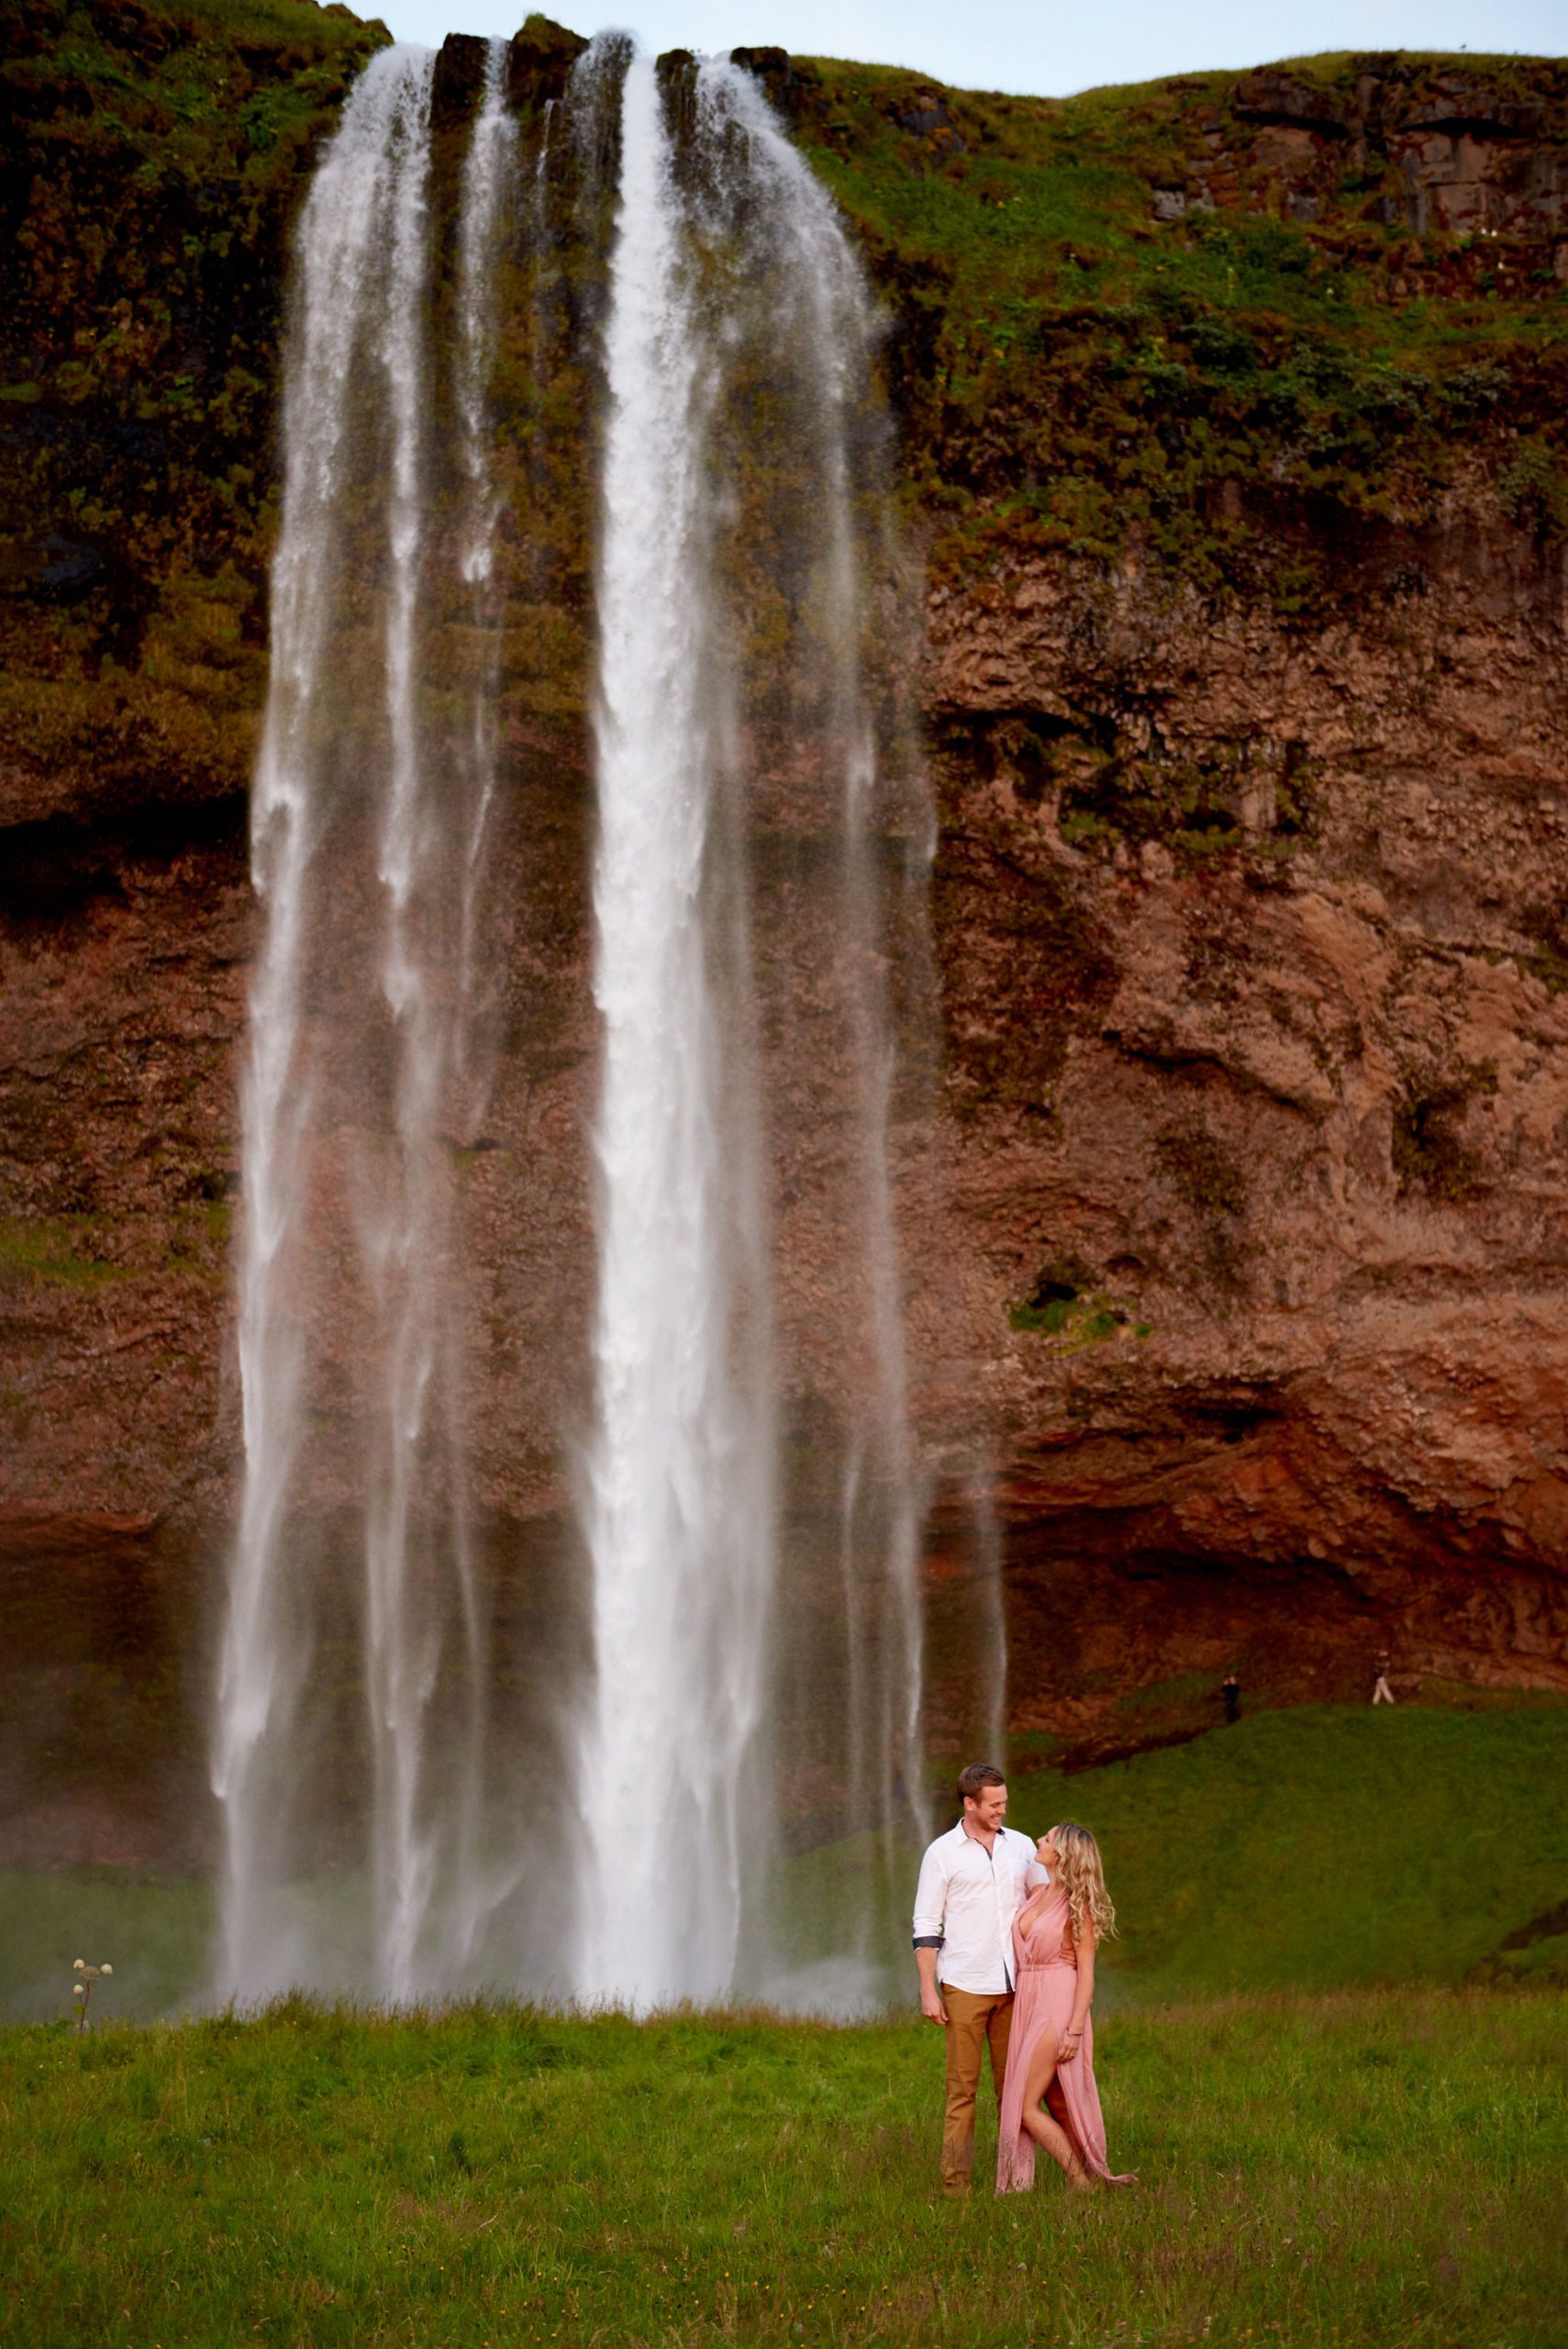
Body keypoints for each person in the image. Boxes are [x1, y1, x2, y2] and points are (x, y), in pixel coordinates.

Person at [912, 1762, 1043, 2197]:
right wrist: (928, 1989)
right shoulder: (941, 1853)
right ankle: (956, 2188)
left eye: (1005, 1802)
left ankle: (1016, 2181)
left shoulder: (1022, 1847)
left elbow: (1044, 1906)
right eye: (994, 1805)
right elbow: (927, 1924)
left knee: (1016, 2092)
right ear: (969, 1804)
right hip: (965, 1984)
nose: (1002, 1811)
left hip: (1016, 1987)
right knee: (962, 2092)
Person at [996, 1822, 1133, 2195]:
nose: (1039, 1840)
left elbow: (1086, 1975)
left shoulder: (1079, 1905)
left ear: (1063, 1853)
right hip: (1029, 1997)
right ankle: (1083, 2174)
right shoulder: (1040, 1892)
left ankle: (1079, 2179)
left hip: (1056, 2003)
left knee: (1025, 2106)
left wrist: (1074, 2029)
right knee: (1053, 2098)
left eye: (1048, 1838)